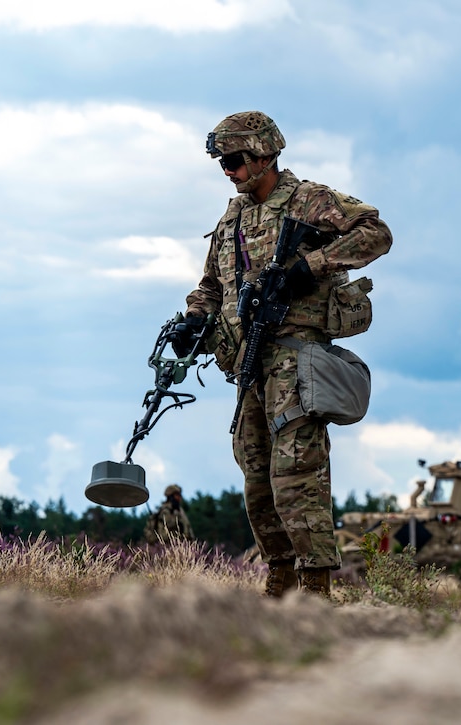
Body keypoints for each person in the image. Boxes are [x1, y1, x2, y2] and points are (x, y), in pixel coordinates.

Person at [170, 111, 393, 598]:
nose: (226, 171)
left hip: (297, 358)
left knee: (296, 473)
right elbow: (210, 285)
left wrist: (309, 267)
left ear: (263, 154)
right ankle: (280, 576)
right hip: (249, 363)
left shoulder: (310, 200)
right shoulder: (232, 217)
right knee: (256, 475)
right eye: (222, 163)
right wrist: (193, 320)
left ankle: (314, 588)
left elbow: (375, 232)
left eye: (233, 161)